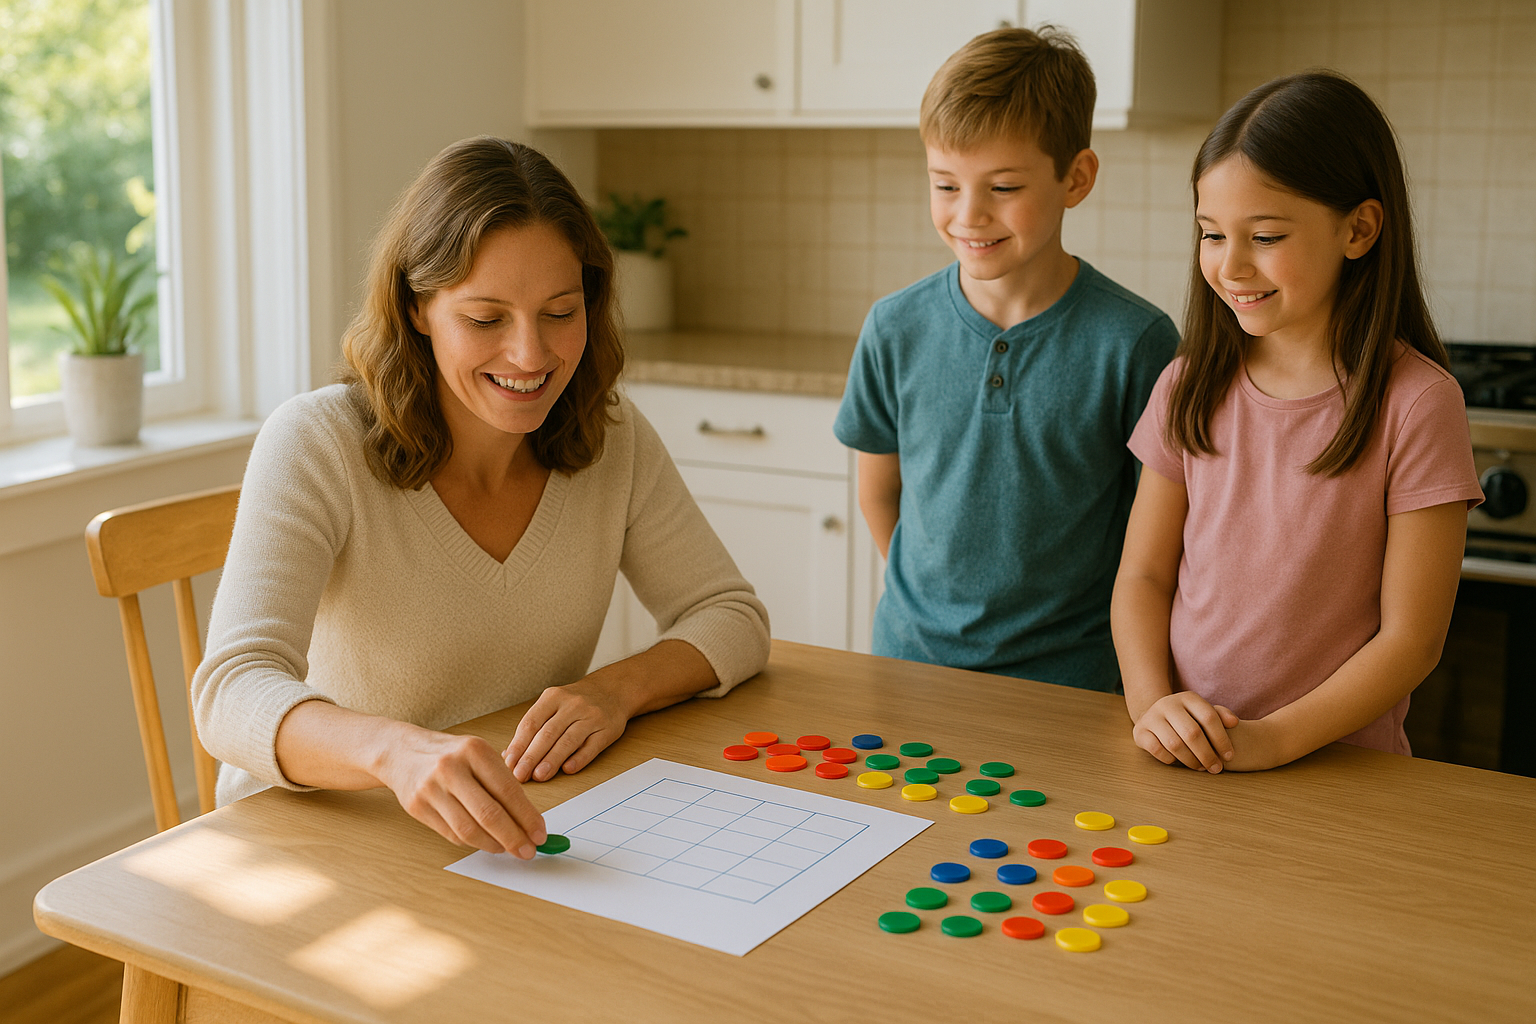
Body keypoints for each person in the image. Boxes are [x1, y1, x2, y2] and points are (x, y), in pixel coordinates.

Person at [192, 137, 770, 858]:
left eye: (560, 311)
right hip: (316, 841)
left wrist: (615, 690)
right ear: (417, 309)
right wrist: (394, 754)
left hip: (503, 832)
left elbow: (733, 616)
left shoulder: (610, 439)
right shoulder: (316, 442)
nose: (531, 356)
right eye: (486, 319)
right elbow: (230, 694)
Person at [1113, 72, 1482, 773]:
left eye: (1266, 235)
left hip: (1343, 774)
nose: (1231, 264)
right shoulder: (1188, 385)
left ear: (1359, 229)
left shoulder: (1418, 403)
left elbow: (1412, 640)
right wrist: (1150, 704)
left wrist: (1273, 739)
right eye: (1212, 234)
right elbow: (1143, 577)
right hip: (1188, 761)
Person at [834, 27, 1179, 691]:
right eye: (945, 184)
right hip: (911, 665)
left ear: (1075, 178)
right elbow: (880, 493)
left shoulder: (1137, 343)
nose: (969, 215)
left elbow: (1156, 544)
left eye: (1003, 187)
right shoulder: (894, 327)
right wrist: (933, 617)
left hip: (1073, 683)